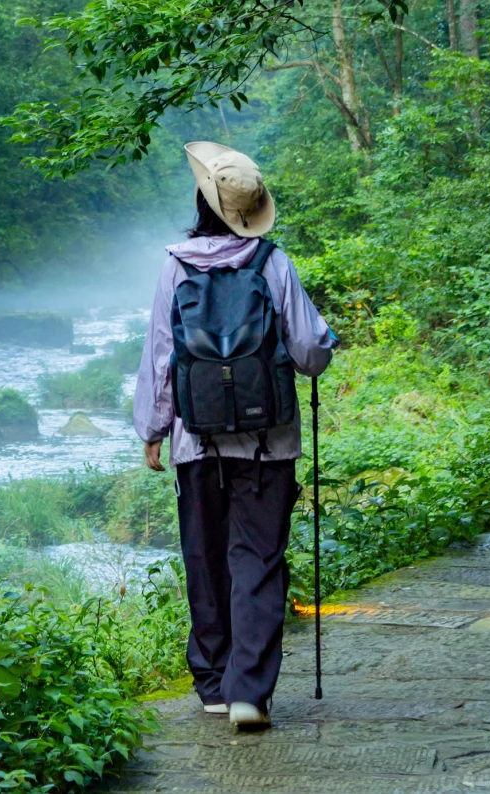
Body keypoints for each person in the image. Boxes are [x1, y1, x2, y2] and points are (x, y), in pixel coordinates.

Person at [133, 140, 335, 731]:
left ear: (202, 203)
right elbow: (309, 352)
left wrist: (153, 428)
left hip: (196, 441)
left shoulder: (176, 264)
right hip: (268, 444)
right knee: (259, 560)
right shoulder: (272, 263)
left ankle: (214, 684)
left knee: (205, 557)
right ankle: (250, 692)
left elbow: (160, 355)